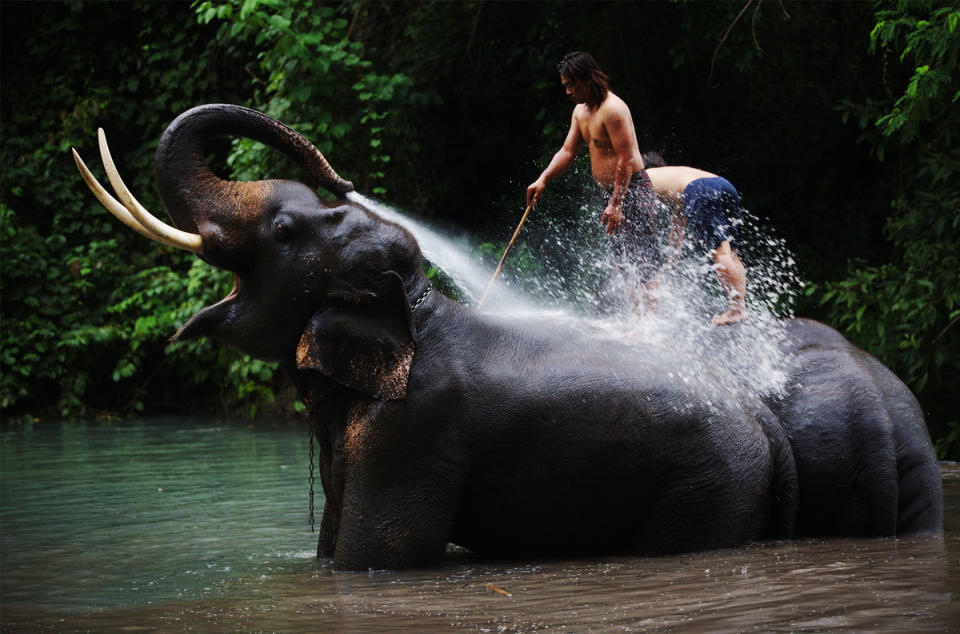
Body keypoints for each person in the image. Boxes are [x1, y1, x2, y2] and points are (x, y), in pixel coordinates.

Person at [526, 51, 660, 312]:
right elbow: (567, 152)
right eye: (564, 85)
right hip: (611, 195)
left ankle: (651, 326)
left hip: (630, 190)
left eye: (571, 84)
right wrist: (543, 179)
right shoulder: (580, 112)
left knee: (642, 260)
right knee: (624, 260)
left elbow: (626, 160)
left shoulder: (613, 109)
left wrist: (617, 203)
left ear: (588, 79)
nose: (567, 91)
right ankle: (639, 320)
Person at [642, 151, 747, 325]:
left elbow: (644, 226)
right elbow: (677, 227)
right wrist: (672, 260)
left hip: (701, 189)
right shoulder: (676, 178)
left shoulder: (643, 179)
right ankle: (740, 305)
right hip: (724, 184)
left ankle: (737, 310)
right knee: (731, 253)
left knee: (720, 253)